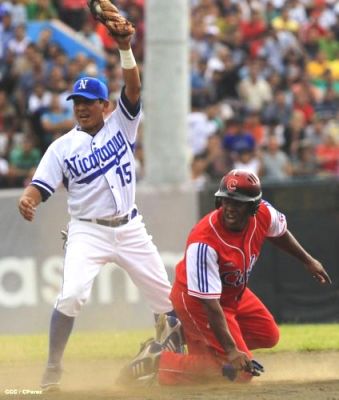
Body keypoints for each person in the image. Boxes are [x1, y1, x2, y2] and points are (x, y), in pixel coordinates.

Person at [18, 30, 179, 392]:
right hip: (87, 231)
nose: (81, 106)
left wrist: (124, 47)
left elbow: (134, 88)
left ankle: (173, 363)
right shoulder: (62, 147)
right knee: (72, 295)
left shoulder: (123, 125)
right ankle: (53, 368)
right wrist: (29, 199)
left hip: (130, 228)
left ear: (105, 105)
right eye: (77, 101)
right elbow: (39, 185)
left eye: (89, 101)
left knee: (168, 305)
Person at [119, 169, 332, 385]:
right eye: (225, 200)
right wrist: (231, 351)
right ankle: (158, 360)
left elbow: (279, 232)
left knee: (268, 334)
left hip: (231, 294)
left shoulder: (264, 213)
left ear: (253, 207)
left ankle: (182, 333)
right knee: (237, 372)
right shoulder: (204, 242)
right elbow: (209, 304)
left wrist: (308, 260)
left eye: (237, 203)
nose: (229, 208)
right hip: (196, 302)